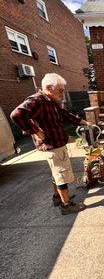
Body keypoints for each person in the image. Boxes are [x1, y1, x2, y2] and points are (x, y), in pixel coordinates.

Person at [10, 73, 91, 215]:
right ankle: (66, 205)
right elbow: (17, 114)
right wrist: (35, 131)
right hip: (52, 145)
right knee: (61, 174)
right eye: (60, 90)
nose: (62, 93)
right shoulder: (38, 100)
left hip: (56, 143)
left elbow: (64, 114)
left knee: (57, 173)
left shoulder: (50, 101)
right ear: (48, 88)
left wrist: (82, 122)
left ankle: (57, 198)